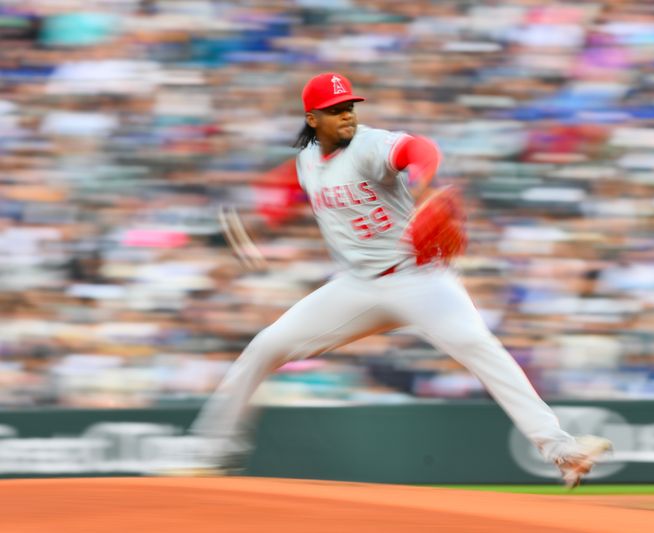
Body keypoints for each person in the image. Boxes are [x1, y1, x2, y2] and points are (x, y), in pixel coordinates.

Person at [184, 72, 611, 488]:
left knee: (481, 348)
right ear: (312, 119)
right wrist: (256, 223)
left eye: (348, 106)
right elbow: (288, 193)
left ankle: (563, 449)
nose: (346, 115)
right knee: (264, 347)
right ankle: (208, 452)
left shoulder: (370, 145)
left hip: (419, 278)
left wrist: (422, 187)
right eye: (334, 110)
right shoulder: (307, 161)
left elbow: (419, 149)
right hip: (356, 287)